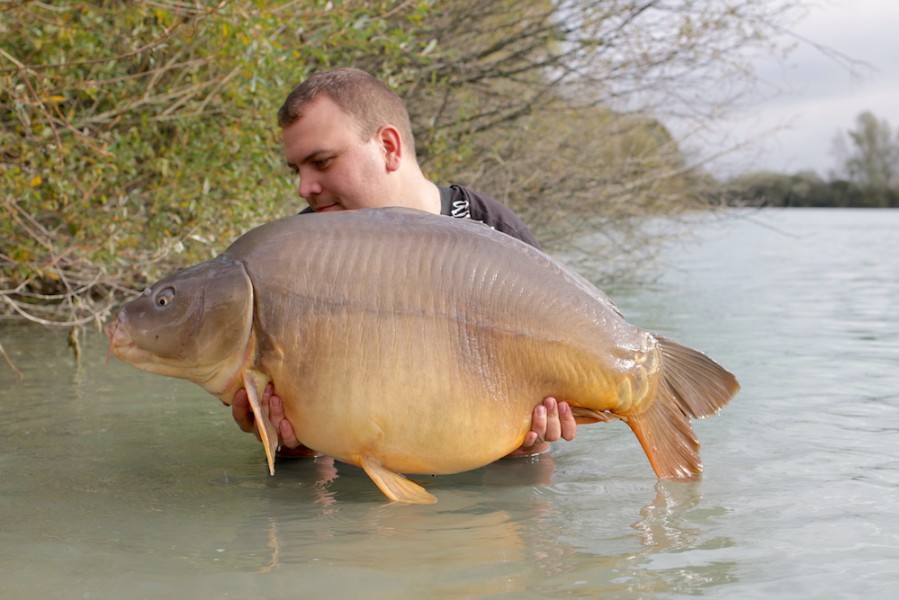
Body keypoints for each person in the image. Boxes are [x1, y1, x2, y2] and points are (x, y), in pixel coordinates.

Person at [232, 67, 576, 460]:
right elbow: (311, 450)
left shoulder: (495, 233)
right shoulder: (294, 256)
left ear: (389, 147)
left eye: (322, 162)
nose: (303, 187)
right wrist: (288, 442)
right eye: (297, 170)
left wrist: (534, 442)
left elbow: (546, 424)